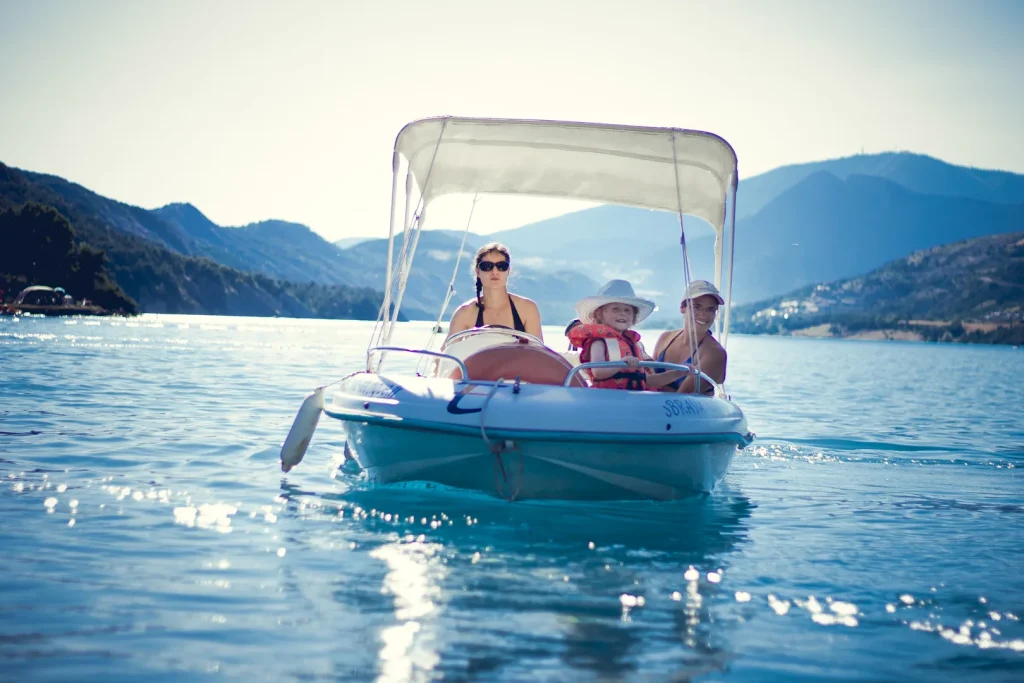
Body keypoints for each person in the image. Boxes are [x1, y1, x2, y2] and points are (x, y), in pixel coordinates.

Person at [567, 280, 685, 390]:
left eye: (627, 310)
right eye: (615, 309)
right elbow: (598, 372)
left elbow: (647, 381)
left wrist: (677, 373)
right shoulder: (599, 343)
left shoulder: (634, 345)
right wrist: (622, 364)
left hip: (632, 400)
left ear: (633, 316)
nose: (622, 314)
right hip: (607, 399)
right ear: (599, 313)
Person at [447, 243, 544, 341]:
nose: (495, 271)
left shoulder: (527, 309)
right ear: (478, 272)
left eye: (501, 266)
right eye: (487, 266)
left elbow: (539, 353)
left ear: (508, 271)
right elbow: (446, 353)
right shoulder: (464, 313)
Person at [650, 279, 728, 394]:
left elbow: (682, 397)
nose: (703, 315)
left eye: (710, 309)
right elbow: (646, 383)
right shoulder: (665, 338)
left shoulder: (715, 353)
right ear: (682, 308)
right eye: (697, 307)